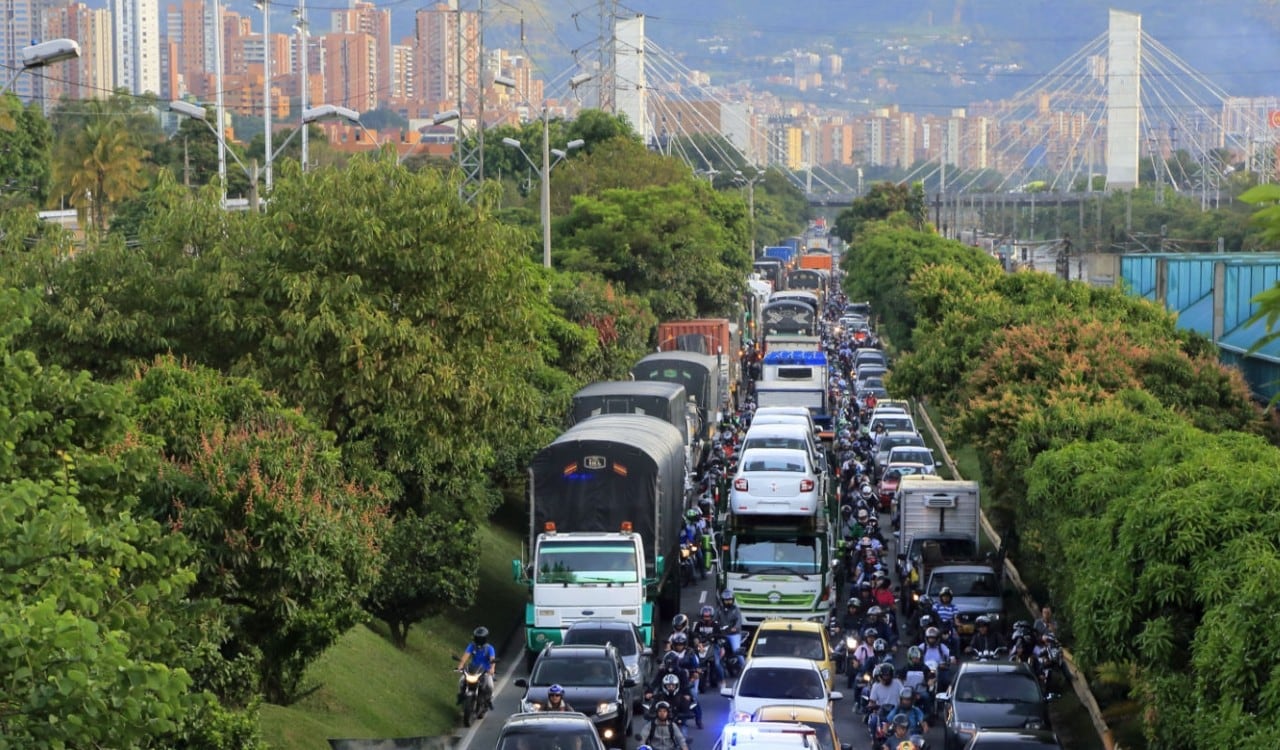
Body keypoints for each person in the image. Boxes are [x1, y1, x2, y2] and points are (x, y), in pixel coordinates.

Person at [457, 626, 496, 709]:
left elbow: (492, 659)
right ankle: (461, 695)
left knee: (490, 686)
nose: (478, 639)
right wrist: (461, 665)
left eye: (480, 638)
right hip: (472, 670)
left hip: (485, 672)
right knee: (461, 681)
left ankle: (488, 700)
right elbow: (466, 656)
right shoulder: (472, 646)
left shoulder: (489, 648)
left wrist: (492, 669)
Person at [719, 591, 744, 673]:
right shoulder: (719, 609)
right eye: (726, 600)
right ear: (723, 600)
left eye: (729, 600)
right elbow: (714, 619)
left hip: (734, 634)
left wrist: (735, 628)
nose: (728, 601)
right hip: (722, 634)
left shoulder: (736, 609)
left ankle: (744, 667)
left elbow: (739, 621)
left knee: (736, 650)